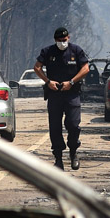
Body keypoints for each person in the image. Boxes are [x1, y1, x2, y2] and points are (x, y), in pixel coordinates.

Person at [33, 26, 90, 169]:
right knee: (55, 127)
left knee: (73, 124)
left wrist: (71, 82)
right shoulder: (48, 51)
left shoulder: (76, 50)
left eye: (64, 40)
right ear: (55, 40)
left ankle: (73, 152)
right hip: (54, 94)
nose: (62, 42)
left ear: (68, 38)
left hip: (72, 93)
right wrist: (48, 82)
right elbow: (37, 67)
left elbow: (85, 68)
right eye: (59, 40)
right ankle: (58, 158)